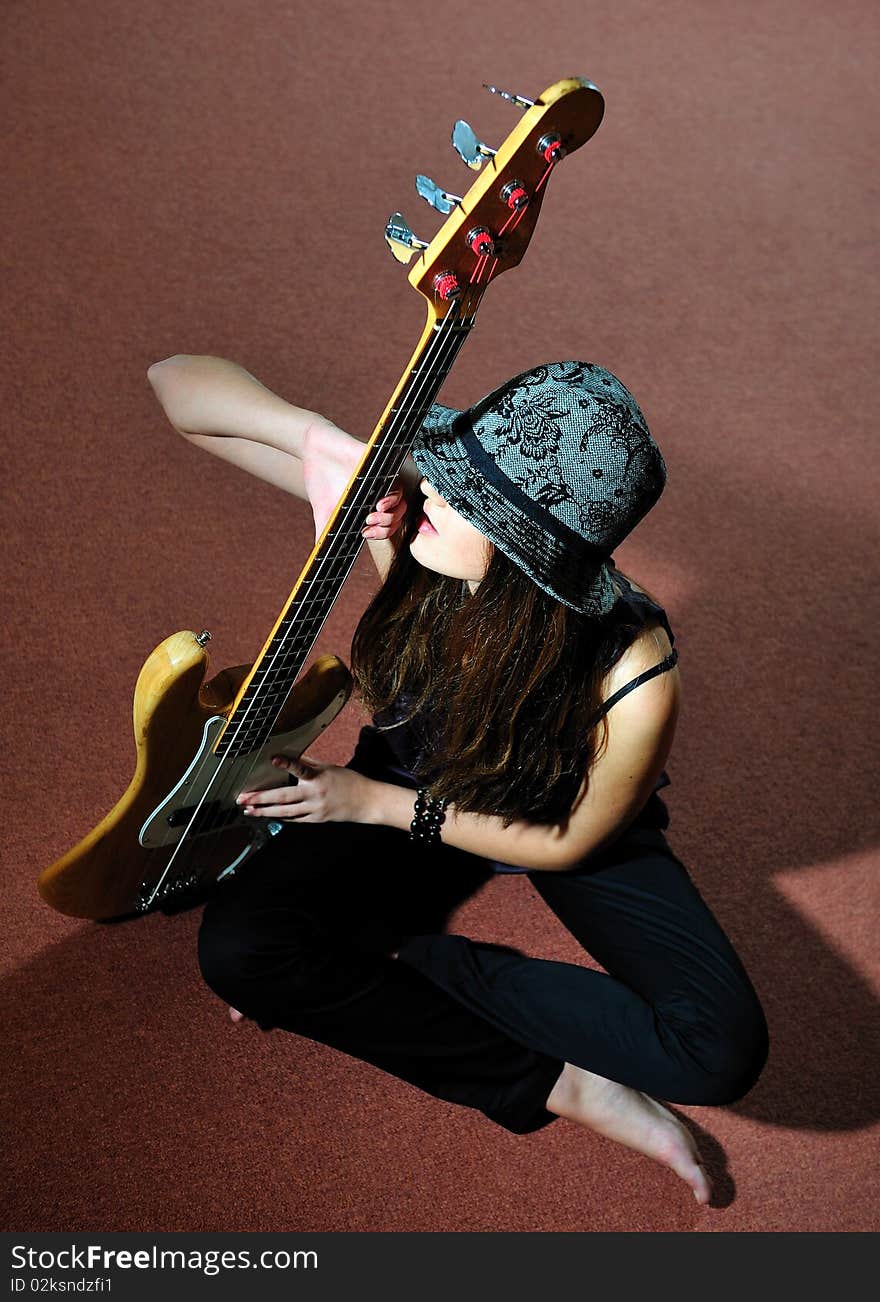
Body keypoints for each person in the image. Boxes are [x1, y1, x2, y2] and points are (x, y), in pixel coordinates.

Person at [147, 354, 769, 1206]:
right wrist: (326, 447)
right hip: (416, 772)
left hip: (546, 816)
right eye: (448, 470)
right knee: (240, 953)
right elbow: (174, 384)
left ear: (531, 554)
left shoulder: (636, 670)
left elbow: (573, 841)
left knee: (720, 1053)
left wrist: (372, 804)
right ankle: (561, 1084)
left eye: (468, 496)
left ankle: (410, 962)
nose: (433, 491)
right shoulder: (406, 515)